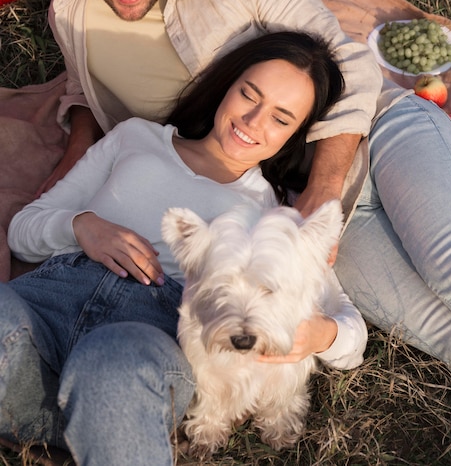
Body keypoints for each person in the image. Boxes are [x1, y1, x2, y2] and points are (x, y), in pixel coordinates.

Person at [26, 0, 451, 405]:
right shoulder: (69, 11)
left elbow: (350, 64)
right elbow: (86, 89)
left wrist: (324, 191)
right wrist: (76, 150)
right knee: (443, 336)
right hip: (287, 202)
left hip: (379, 134)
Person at [0, 32, 368, 466]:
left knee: (114, 364)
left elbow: (350, 332)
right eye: (249, 94)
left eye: (280, 118)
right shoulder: (136, 137)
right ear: (227, 85)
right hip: (45, 309)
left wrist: (318, 335)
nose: (252, 120)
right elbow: (23, 231)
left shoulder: (272, 215)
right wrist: (83, 226)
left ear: (294, 136)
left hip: (147, 336)